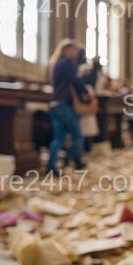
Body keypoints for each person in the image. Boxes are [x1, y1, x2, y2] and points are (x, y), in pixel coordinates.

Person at [47, 39, 87, 175]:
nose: (76, 53)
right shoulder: (67, 63)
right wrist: (86, 92)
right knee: (78, 136)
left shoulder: (56, 64)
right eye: (74, 49)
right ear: (67, 50)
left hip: (54, 104)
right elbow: (74, 81)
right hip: (64, 104)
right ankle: (69, 160)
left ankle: (51, 167)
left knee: (59, 138)